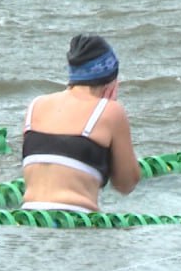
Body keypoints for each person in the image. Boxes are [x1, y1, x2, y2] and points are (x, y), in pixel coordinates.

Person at [21, 34, 141, 212]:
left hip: (29, 215)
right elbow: (126, 184)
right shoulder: (110, 111)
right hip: (76, 219)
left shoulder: (36, 105)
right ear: (111, 81)